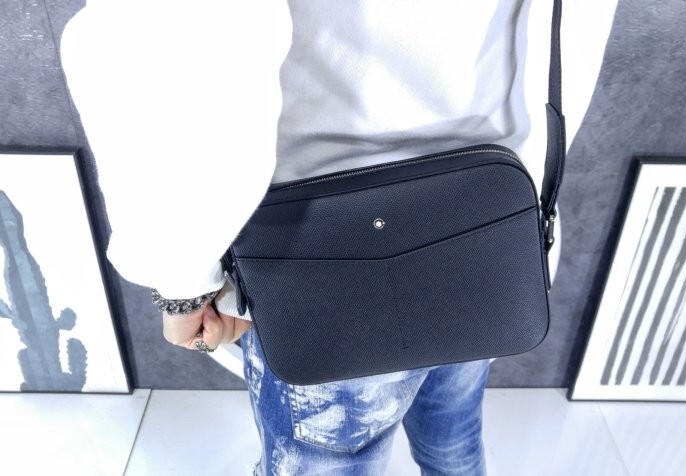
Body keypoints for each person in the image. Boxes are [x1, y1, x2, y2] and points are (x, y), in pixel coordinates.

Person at [60, 1, 618, 474]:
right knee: (454, 438)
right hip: (488, 230)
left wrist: (182, 279)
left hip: (324, 252)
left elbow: (174, 40)